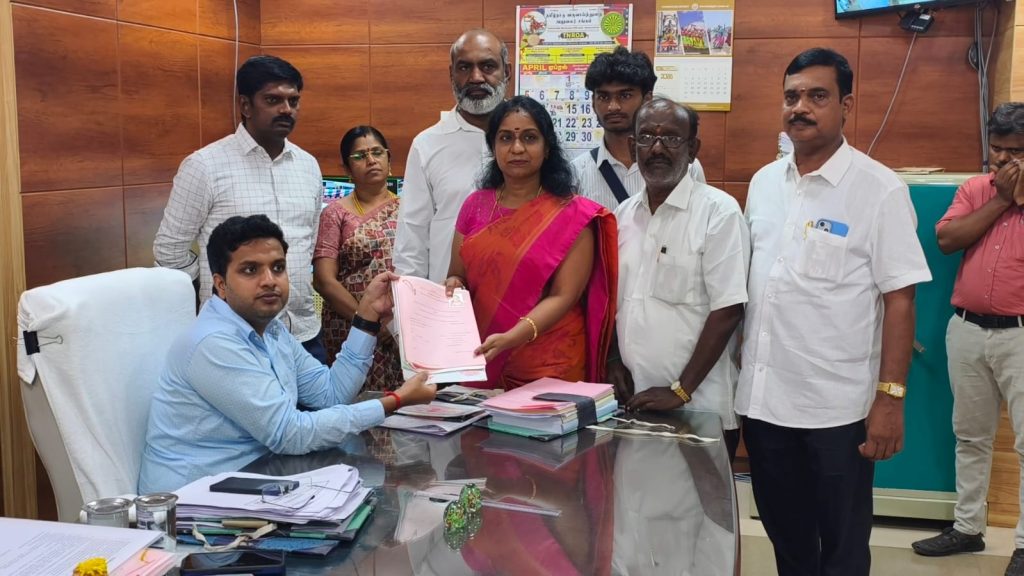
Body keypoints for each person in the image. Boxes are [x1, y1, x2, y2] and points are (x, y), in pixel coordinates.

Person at [736, 48, 931, 576]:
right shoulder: (764, 183)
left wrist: (890, 399)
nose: (800, 107)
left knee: (842, 548)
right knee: (787, 541)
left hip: (836, 411)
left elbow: (900, 298)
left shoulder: (879, 190)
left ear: (845, 105)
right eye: (792, 96)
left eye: (817, 96)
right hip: (765, 402)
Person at [139, 215, 436, 493]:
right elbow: (289, 434)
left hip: (254, 482)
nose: (269, 280)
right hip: (193, 502)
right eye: (250, 270)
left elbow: (331, 394)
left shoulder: (272, 330)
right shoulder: (214, 343)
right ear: (220, 285)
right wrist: (395, 401)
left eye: (278, 267)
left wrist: (368, 314)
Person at [154, 55, 328, 363]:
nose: (286, 109)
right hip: (234, 341)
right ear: (245, 105)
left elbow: (307, 243)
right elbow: (169, 252)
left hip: (302, 335)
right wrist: (217, 283)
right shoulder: (205, 166)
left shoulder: (308, 166)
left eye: (293, 101)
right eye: (273, 100)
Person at [911, 103, 1024, 575]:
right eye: (997, 149)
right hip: (967, 328)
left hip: (1020, 335)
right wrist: (1001, 200)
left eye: (1015, 151)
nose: (1003, 160)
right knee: (971, 435)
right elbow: (947, 240)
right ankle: (967, 527)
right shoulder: (976, 190)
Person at [445, 95, 618, 390]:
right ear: (493, 147)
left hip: (550, 363)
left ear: (547, 147)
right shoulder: (475, 205)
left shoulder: (572, 214)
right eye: (505, 138)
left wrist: (513, 336)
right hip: (483, 354)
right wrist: (454, 285)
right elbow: (457, 274)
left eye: (529, 137)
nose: (517, 148)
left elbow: (564, 296)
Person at [612, 98, 749, 462]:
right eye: (646, 137)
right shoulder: (623, 216)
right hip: (636, 403)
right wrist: (614, 359)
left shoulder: (718, 213)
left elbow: (729, 310)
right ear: (633, 147)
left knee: (700, 503)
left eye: (672, 139)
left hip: (699, 408)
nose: (657, 148)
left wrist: (681, 390)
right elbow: (616, 302)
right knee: (638, 497)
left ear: (692, 149)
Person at [394, 29, 511, 283]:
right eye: (464, 67)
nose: (476, 77)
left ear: (507, 72)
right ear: (451, 74)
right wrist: (410, 301)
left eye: (488, 66)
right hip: (446, 298)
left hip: (520, 299)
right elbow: (411, 239)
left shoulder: (533, 140)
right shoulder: (427, 145)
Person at [313, 126, 401, 389]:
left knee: (403, 403)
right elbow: (324, 281)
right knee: (351, 399)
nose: (371, 160)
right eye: (360, 156)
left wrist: (393, 325)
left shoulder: (408, 210)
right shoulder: (334, 214)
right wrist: (367, 320)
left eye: (377, 152)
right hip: (350, 327)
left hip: (399, 330)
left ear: (389, 159)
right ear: (347, 168)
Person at [572, 46, 706, 212]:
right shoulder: (577, 173)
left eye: (625, 95)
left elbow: (698, 217)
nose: (613, 106)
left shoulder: (686, 165)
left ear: (647, 99)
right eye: (603, 97)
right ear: (593, 102)